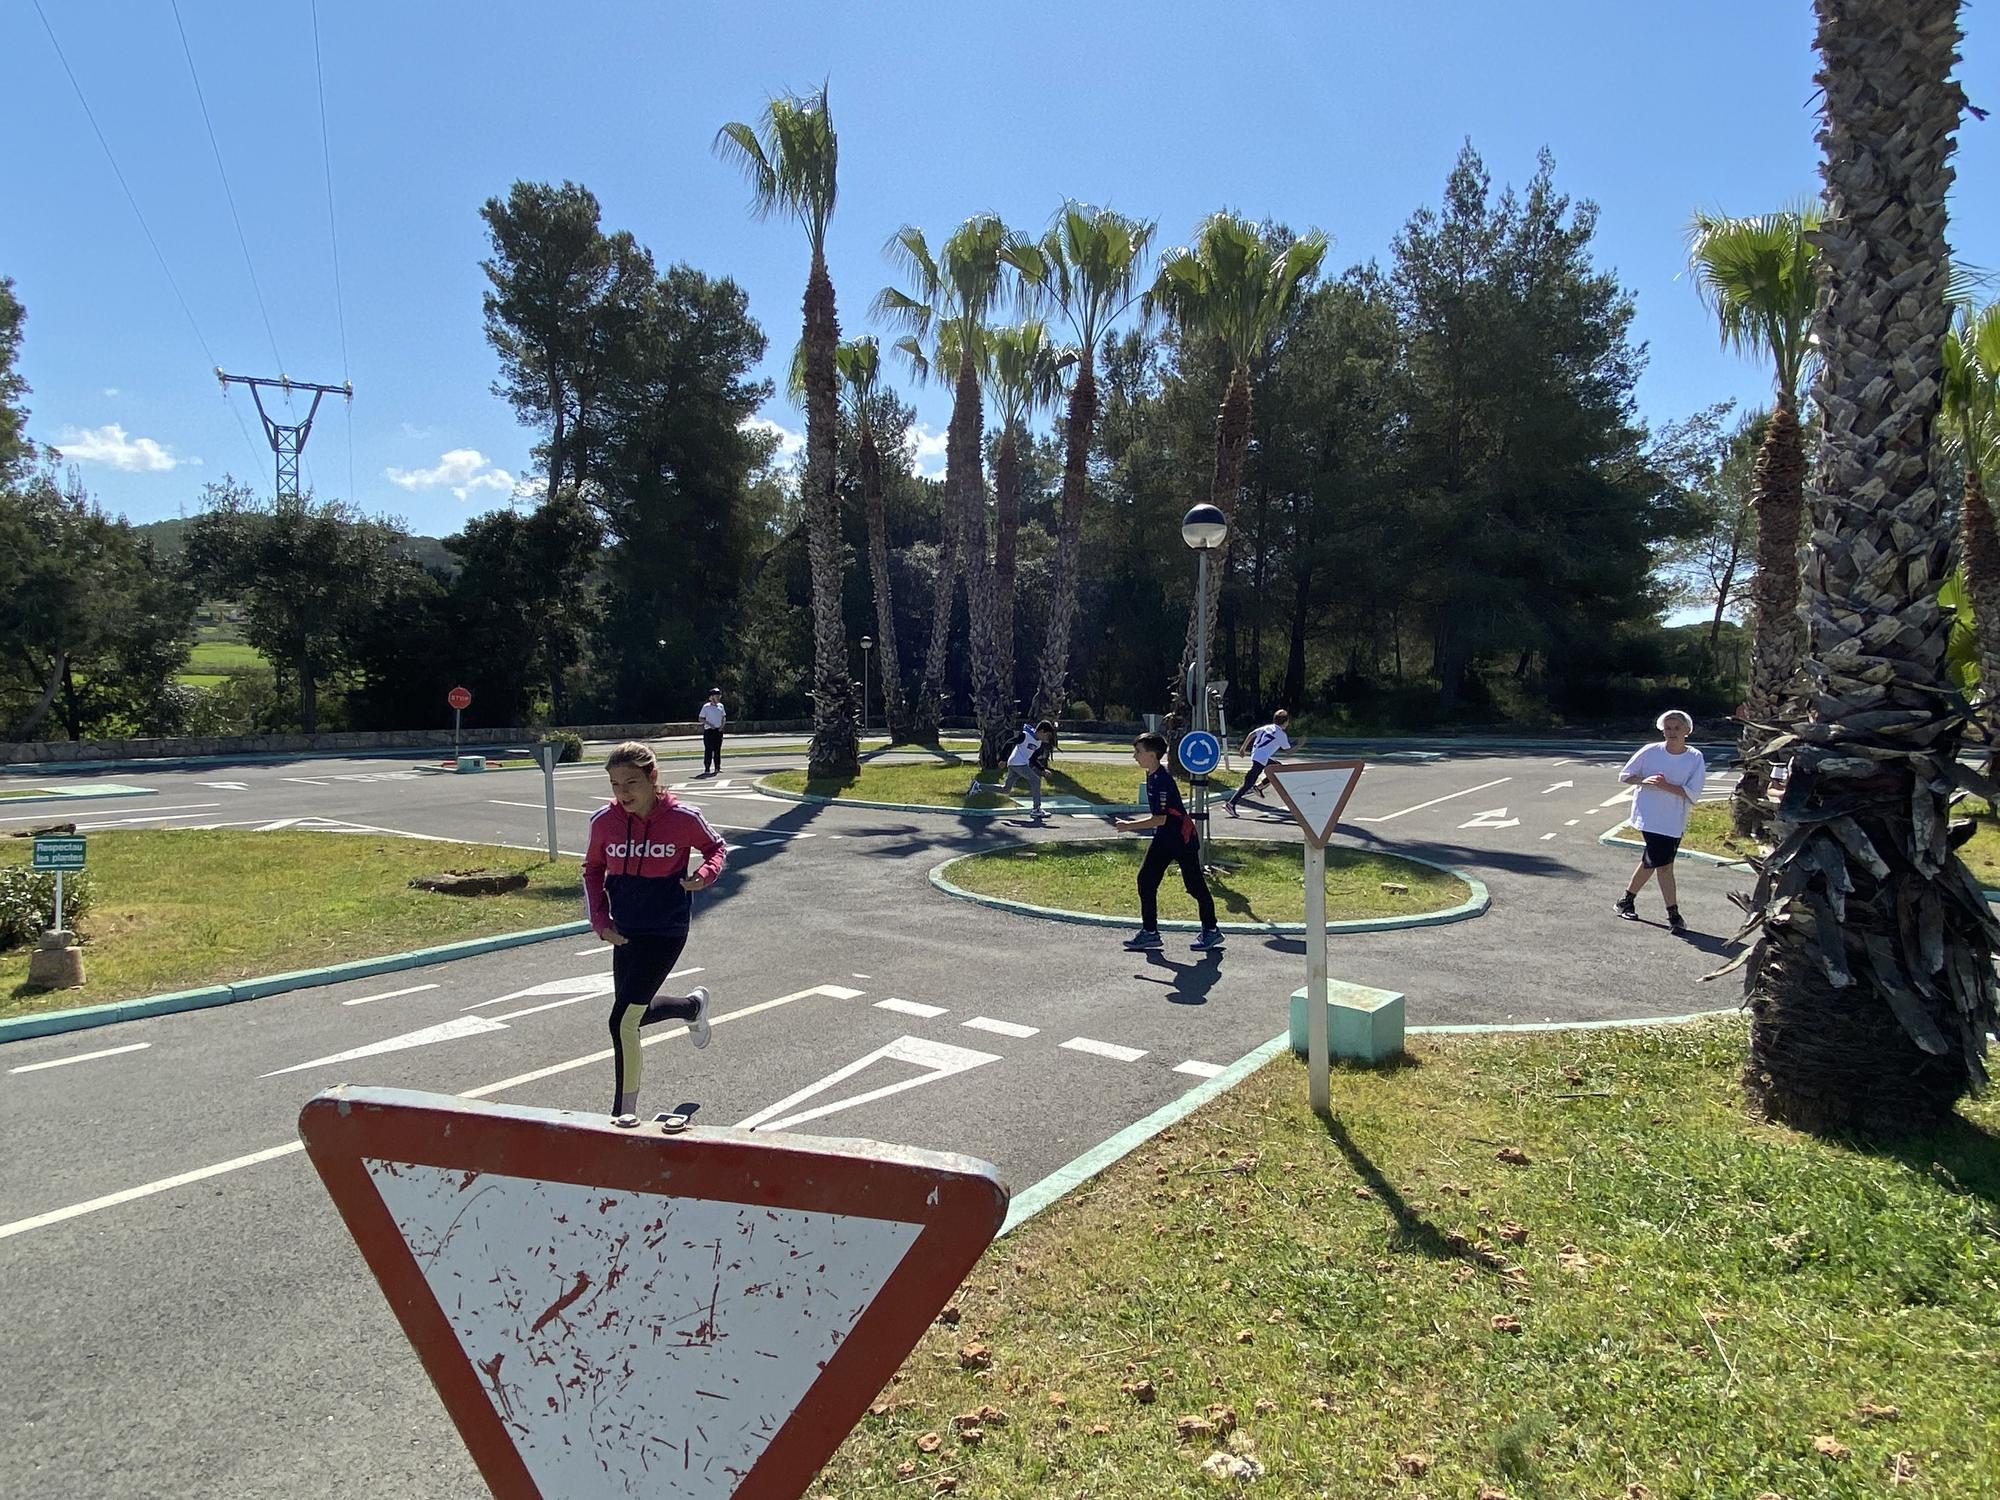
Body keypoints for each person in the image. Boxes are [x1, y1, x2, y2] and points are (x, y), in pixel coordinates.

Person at [583, 741, 727, 1123]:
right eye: (615, 784)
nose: (623, 793)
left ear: (653, 778)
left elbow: (716, 848)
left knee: (621, 1021)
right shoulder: (604, 822)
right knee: (636, 1014)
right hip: (624, 931)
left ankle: (623, 1114)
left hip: (666, 929)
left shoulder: (682, 817)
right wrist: (600, 921)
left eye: (631, 782)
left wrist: (705, 874)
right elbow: (593, 870)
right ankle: (692, 1007)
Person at [1114, 731, 1224, 953]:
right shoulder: (1151, 775)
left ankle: (1211, 930)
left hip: (1181, 838)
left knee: (1194, 886)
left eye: (1138, 752)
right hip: (1164, 837)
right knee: (1146, 880)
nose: (1135, 756)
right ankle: (1150, 932)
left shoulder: (1162, 780)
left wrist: (1128, 826)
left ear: (1153, 755)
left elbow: (1160, 818)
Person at [1614, 710, 1705, 935]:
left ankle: (1626, 900)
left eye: (1676, 728)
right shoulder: (1649, 751)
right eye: (1668, 728)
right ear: (1662, 730)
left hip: (1673, 819)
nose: (1672, 732)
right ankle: (1673, 915)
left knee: (1653, 861)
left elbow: (1693, 792)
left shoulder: (1694, 757)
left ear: (1687, 731)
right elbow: (1626, 776)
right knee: (1663, 865)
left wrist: (1666, 786)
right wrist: (1645, 781)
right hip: (1649, 817)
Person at [1225, 708, 1292, 816]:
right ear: (1285, 722)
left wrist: (1243, 748)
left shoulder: (1267, 727)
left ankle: (1259, 787)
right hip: (1262, 758)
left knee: (1277, 768)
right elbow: (1288, 751)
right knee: (1248, 783)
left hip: (1256, 754)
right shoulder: (1281, 734)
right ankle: (1231, 803)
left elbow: (1252, 734)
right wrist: (1300, 744)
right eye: (1288, 721)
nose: (1288, 723)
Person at [992, 720, 1058, 816]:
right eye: (1047, 735)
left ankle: (978, 787)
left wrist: (1042, 770)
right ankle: (1036, 809)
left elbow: (1032, 759)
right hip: (1017, 763)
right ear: (1041, 731)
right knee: (1035, 780)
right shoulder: (1025, 735)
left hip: (1016, 764)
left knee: (1006, 789)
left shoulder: (1038, 743)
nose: (1047, 738)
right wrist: (1003, 759)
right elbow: (1009, 743)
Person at [697, 689, 727, 776]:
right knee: (709, 750)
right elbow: (700, 718)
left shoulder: (721, 706)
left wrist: (722, 726)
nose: (718, 697)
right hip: (709, 731)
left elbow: (723, 716)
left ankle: (717, 767)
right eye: (716, 696)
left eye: (719, 696)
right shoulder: (706, 707)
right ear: (712, 697)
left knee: (717, 750)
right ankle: (707, 768)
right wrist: (709, 724)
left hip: (718, 731)